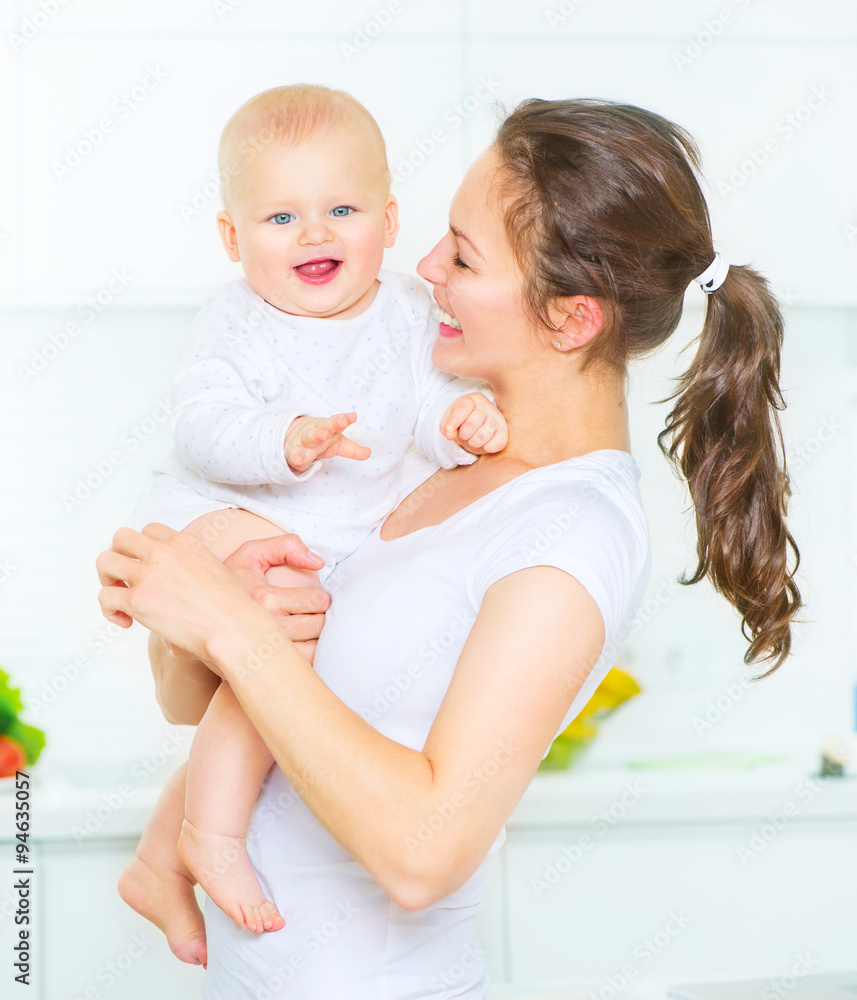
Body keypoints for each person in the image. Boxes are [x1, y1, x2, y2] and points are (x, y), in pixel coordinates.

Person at [97, 98, 801, 999]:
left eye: (462, 256)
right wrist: (187, 598)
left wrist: (231, 628)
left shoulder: (568, 533)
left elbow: (422, 857)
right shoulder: (436, 453)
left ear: (571, 318)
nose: (422, 267)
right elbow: (192, 700)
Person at [117, 83, 508, 964]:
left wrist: (459, 423)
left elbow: (429, 402)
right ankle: (210, 838)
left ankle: (156, 852)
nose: (316, 234)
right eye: (281, 217)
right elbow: (200, 425)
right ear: (231, 238)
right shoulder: (236, 320)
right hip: (221, 509)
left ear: (390, 216)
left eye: (341, 208)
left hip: (331, 541)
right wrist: (279, 440)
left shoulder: (410, 312)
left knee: (283, 678)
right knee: (279, 625)